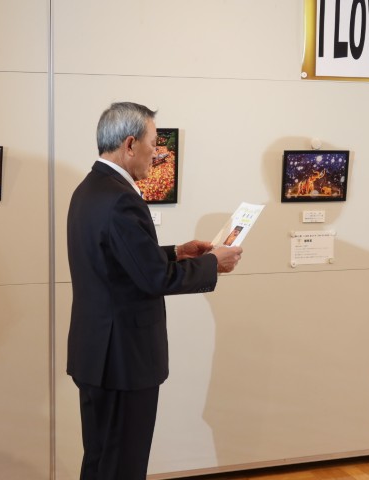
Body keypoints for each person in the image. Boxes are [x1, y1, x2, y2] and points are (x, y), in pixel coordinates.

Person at [66, 101, 243, 479]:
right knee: (122, 466)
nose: (157, 151)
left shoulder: (90, 189)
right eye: (153, 142)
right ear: (130, 144)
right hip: (123, 360)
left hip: (96, 353)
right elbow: (154, 279)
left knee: (100, 459)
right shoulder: (121, 198)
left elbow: (118, 261)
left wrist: (177, 252)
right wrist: (213, 263)